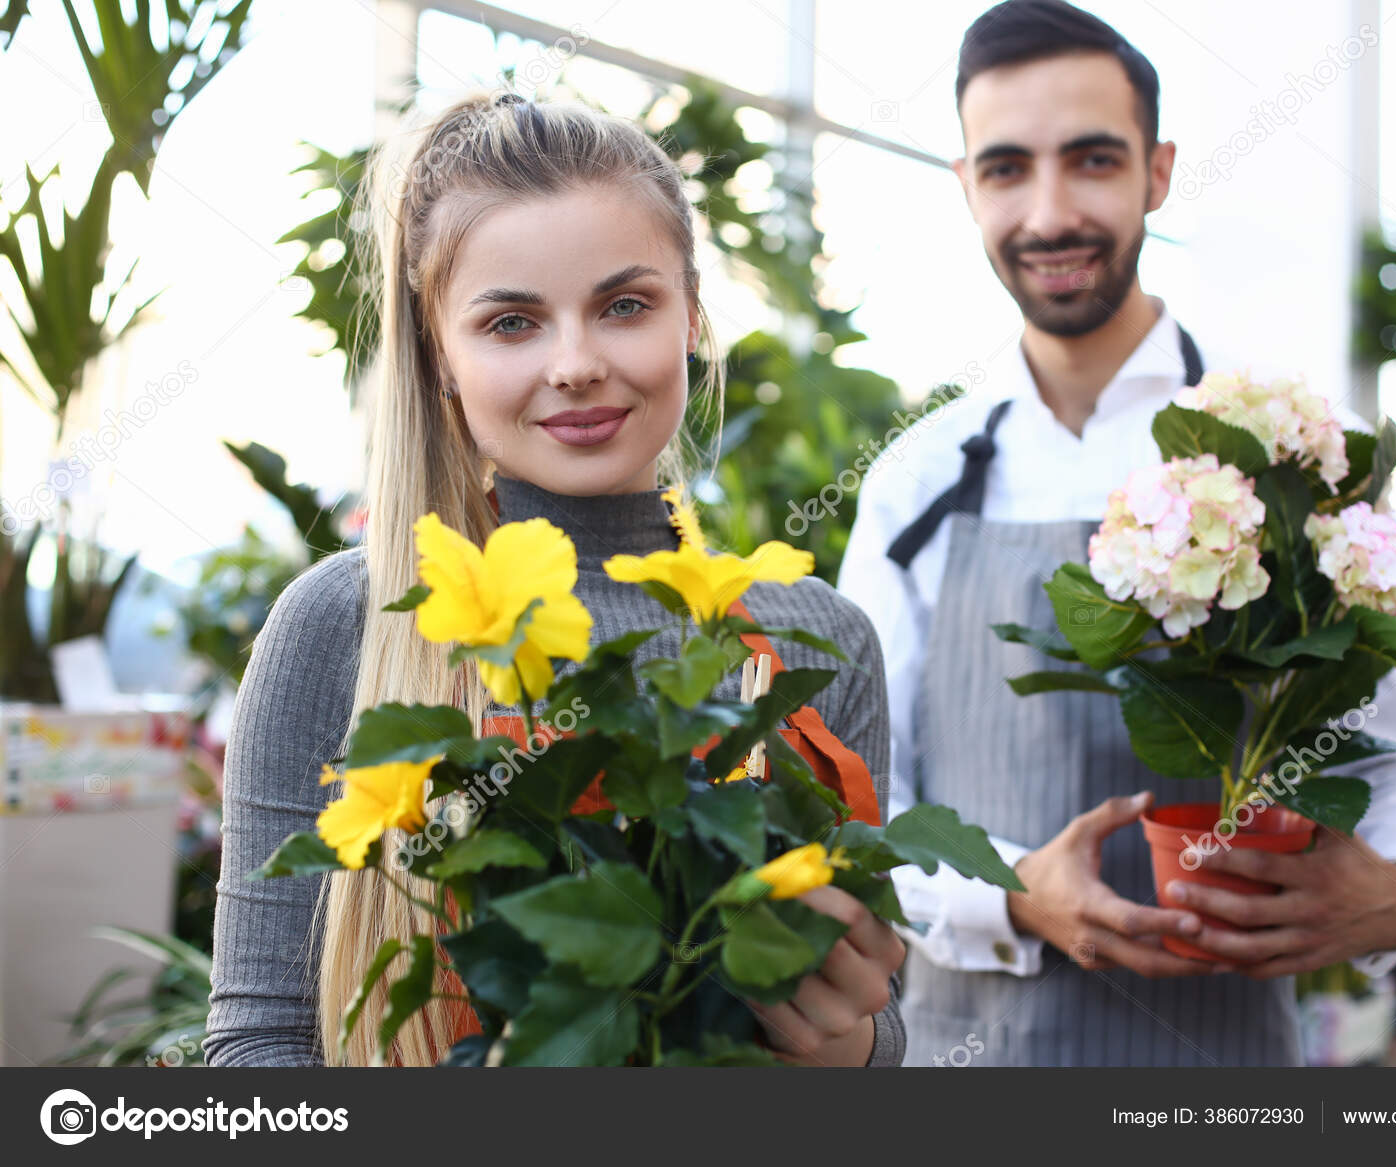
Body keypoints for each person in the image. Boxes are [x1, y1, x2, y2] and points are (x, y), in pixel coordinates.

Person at [203, 91, 905, 1068]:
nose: (575, 365)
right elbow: (259, 1051)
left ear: (691, 317)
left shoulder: (811, 639)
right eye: (511, 323)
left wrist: (844, 1039)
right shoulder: (346, 622)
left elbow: (876, 1033)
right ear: (438, 353)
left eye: (624, 306)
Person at [837, 0, 1396, 1066]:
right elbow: (858, 801)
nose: (1047, 214)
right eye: (1004, 169)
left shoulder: (1296, 453)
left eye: (1090, 160)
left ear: (1157, 172)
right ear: (965, 188)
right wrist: (1012, 895)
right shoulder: (917, 476)